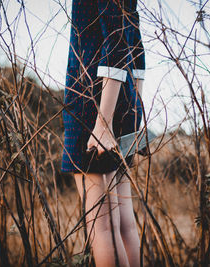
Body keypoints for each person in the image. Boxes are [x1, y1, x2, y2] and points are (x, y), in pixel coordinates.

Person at [61, 0, 145, 266]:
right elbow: (136, 48)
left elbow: (118, 42)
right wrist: (134, 111)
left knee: (103, 227)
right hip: (120, 99)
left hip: (93, 104)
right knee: (122, 223)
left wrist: (104, 124)